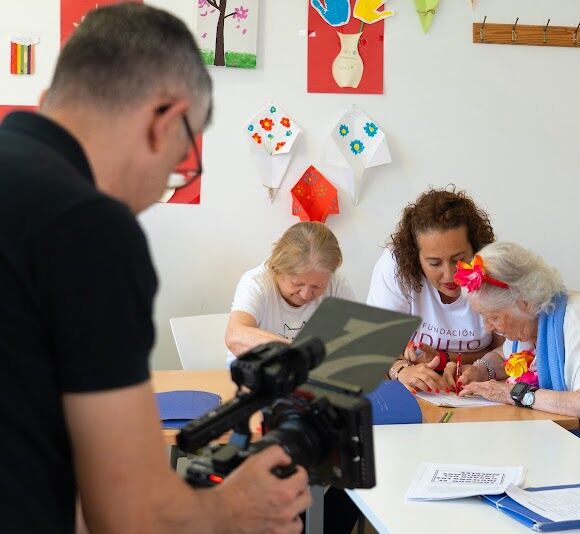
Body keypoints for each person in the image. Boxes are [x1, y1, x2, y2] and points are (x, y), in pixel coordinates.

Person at [0, 5, 309, 533]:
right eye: (176, 168)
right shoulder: (90, 226)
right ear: (164, 121)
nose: (150, 201)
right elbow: (131, 514)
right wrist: (237, 504)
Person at [453, 242, 580, 451]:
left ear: (525, 301)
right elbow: (503, 356)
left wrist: (511, 393)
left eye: (494, 317)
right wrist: (480, 369)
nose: (488, 328)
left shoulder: (578, 319)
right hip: (556, 446)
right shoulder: (530, 323)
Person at [366, 187, 504, 393]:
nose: (449, 275)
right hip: (413, 392)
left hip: (477, 387)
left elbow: (510, 350)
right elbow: (373, 345)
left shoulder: (495, 268)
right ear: (415, 258)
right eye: (434, 263)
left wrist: (455, 362)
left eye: (459, 260)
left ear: (475, 249)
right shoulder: (394, 267)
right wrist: (401, 369)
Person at [225, 221, 354, 358]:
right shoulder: (256, 283)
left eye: (317, 286)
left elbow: (360, 334)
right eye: (297, 284)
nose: (305, 295)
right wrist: (296, 351)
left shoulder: (336, 283)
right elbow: (234, 336)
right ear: (277, 268)